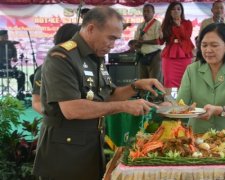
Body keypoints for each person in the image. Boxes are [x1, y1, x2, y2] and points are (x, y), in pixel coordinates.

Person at [33, 6, 165, 180]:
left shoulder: (95, 57)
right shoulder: (61, 57)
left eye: (116, 40)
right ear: (91, 29)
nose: (113, 45)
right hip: (64, 153)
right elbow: (72, 109)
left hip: (91, 146)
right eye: (110, 38)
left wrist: (136, 86)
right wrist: (125, 106)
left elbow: (107, 95)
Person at [176, 23, 225, 147]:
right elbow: (181, 103)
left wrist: (217, 110)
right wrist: (171, 106)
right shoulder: (192, 70)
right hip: (197, 138)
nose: (208, 50)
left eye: (214, 45)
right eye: (204, 45)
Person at [31, 23, 80, 114]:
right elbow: (36, 102)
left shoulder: (82, 66)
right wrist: (55, 115)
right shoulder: (45, 68)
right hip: (60, 123)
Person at [160, 2, 194, 95]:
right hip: (169, 55)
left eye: (178, 9)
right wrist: (159, 35)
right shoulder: (166, 24)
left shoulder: (187, 23)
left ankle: (182, 105)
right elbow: (160, 42)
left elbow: (187, 37)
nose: (176, 11)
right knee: (169, 80)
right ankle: (168, 104)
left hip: (184, 53)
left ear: (182, 11)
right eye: (173, 9)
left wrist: (179, 25)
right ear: (169, 12)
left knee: (184, 80)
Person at [134, 3, 163, 83]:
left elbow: (158, 41)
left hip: (155, 56)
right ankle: (144, 96)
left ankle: (156, 96)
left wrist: (144, 42)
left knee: (155, 81)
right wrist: (135, 44)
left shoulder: (157, 24)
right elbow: (136, 40)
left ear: (153, 13)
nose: (145, 13)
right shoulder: (140, 25)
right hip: (142, 55)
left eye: (148, 11)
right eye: (144, 11)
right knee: (143, 81)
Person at [0, 29, 25, 100]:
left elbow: (15, 58)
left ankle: (20, 95)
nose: (6, 37)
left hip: (8, 68)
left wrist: (15, 58)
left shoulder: (11, 45)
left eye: (6, 36)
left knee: (21, 74)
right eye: (4, 36)